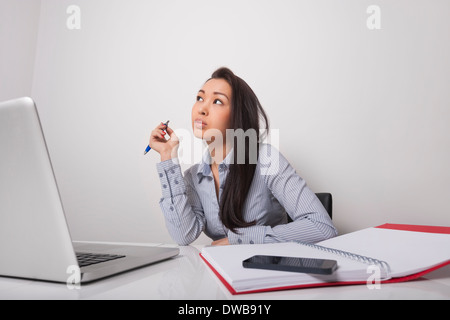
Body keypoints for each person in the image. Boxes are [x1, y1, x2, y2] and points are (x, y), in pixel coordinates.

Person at [148, 67, 338, 246]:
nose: (201, 109)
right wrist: (167, 157)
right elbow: (183, 235)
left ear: (237, 115)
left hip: (269, 272)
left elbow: (321, 226)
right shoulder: (193, 177)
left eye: (217, 101)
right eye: (199, 98)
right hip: (222, 274)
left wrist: (238, 241)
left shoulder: (265, 159)